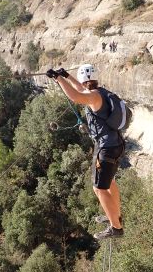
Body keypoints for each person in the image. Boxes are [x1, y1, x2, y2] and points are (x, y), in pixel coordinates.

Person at [46, 64, 124, 240]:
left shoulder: (93, 96)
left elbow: (75, 96)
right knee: (109, 182)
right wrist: (66, 76)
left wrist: (57, 79)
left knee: (99, 188)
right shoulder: (100, 92)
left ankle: (116, 228)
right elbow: (81, 88)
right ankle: (115, 215)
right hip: (115, 144)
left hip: (106, 148)